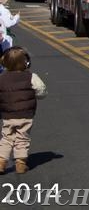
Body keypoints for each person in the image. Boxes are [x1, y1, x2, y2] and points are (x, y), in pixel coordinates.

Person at [0, 46, 47, 174]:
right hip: (26, 115)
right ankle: (20, 163)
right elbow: (41, 90)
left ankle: (1, 162)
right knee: (22, 137)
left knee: (6, 137)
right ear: (26, 63)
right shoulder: (31, 77)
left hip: (8, 115)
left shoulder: (1, 78)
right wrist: (37, 95)